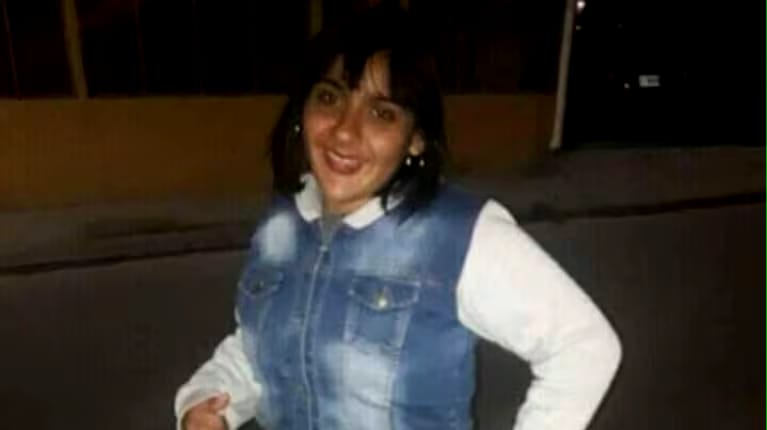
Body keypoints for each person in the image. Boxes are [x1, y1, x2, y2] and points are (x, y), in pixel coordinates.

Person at [175, 5, 621, 430]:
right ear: (302, 112)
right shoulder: (283, 224)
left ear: (415, 139)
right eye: (329, 97)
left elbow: (583, 347)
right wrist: (207, 399)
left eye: (381, 113)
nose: (345, 131)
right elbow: (257, 349)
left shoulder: (455, 233)